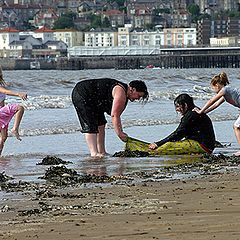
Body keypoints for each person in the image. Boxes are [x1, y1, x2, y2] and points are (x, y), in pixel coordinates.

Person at [72, 78, 149, 158]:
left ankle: (102, 151)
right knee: (90, 124)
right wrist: (120, 133)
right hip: (82, 93)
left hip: (95, 100)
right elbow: (114, 115)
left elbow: (115, 113)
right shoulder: (120, 92)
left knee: (101, 123)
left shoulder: (124, 95)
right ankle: (94, 153)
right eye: (139, 95)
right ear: (132, 89)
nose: (138, 98)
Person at [149, 93, 216, 153]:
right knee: (170, 142)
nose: (176, 109)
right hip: (208, 145)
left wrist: (158, 144)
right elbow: (180, 134)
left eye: (178, 106)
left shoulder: (190, 115)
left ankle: (151, 151)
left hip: (204, 147)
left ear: (185, 105)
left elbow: (177, 134)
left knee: (168, 145)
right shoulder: (194, 112)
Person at [194, 72, 240, 156]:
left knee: (236, 126)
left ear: (217, 85)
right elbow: (215, 105)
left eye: (212, 87)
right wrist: (204, 112)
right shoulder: (226, 94)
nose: (213, 90)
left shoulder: (224, 90)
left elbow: (211, 101)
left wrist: (200, 111)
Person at [0, 66, 27, 155]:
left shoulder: (1, 84)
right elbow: (6, 92)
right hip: (1, 113)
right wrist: (18, 93)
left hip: (2, 113)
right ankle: (15, 129)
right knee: (20, 108)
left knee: (3, 137)